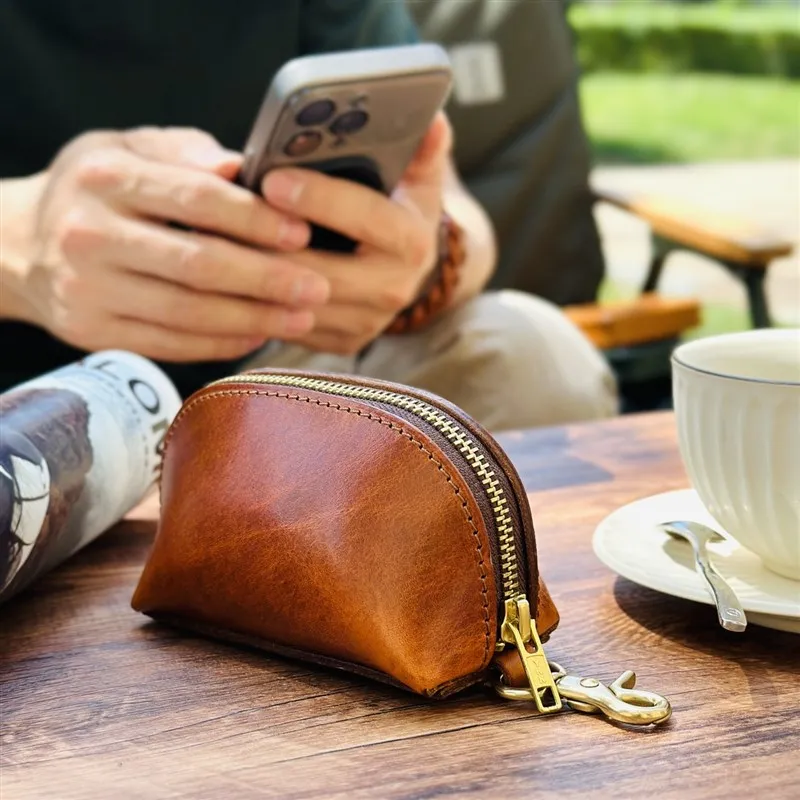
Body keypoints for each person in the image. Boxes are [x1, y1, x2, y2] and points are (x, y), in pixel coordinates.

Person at [0, 0, 617, 431]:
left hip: (267, 370)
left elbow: (454, 209)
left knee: (534, 359)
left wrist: (425, 262)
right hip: (24, 401)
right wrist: (23, 244)